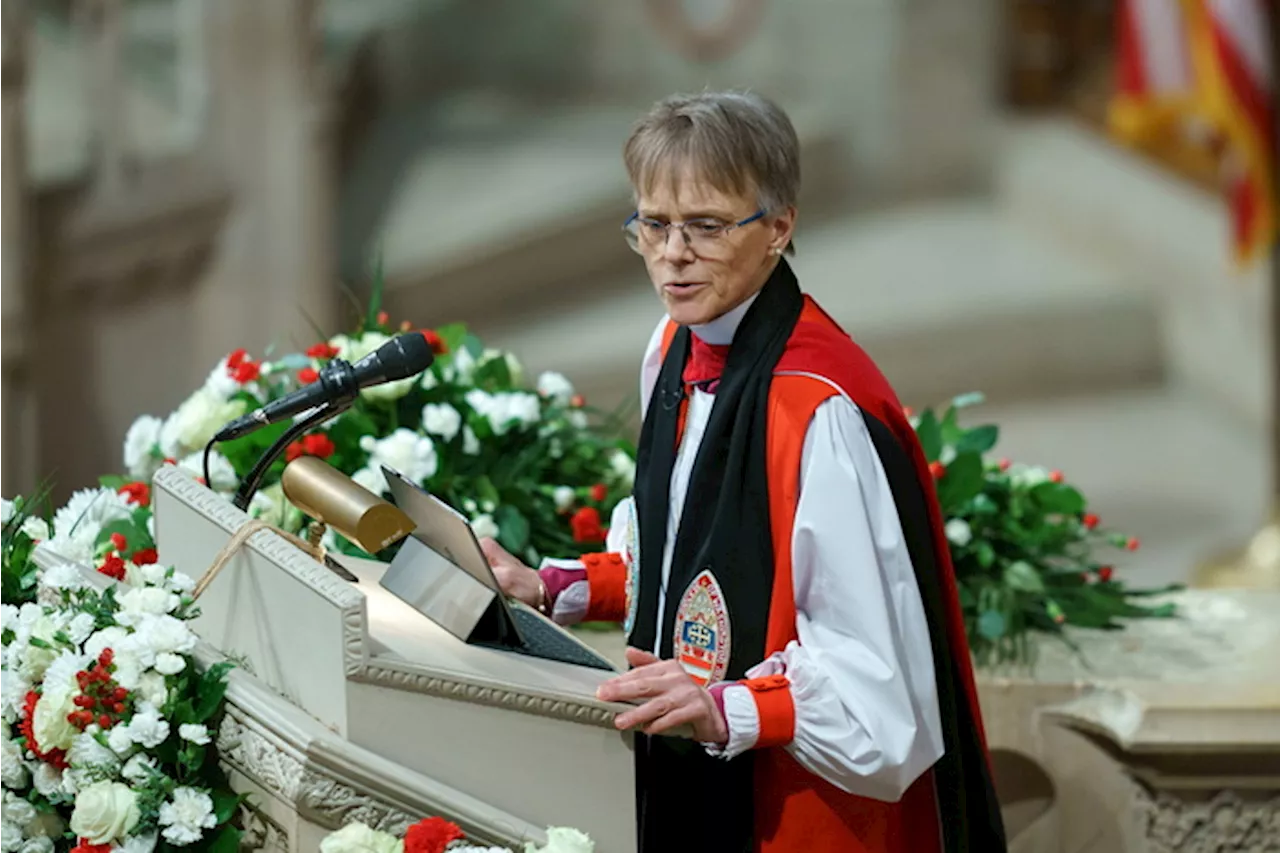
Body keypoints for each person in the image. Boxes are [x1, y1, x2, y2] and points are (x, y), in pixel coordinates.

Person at [479, 90, 1006, 853]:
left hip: (797, 813)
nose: (672, 253)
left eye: (706, 225)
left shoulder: (816, 411)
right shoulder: (673, 347)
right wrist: (556, 587)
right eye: (653, 224)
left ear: (779, 228)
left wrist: (726, 708)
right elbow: (686, 560)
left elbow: (876, 692)